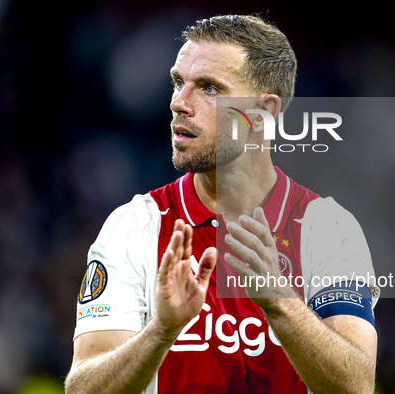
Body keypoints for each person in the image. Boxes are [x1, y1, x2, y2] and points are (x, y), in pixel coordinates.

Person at [65, 14, 378, 394]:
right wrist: (160, 333)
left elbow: (356, 385)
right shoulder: (134, 226)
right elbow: (82, 388)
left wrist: (280, 302)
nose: (179, 102)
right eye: (178, 82)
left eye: (209, 88)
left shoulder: (327, 229)